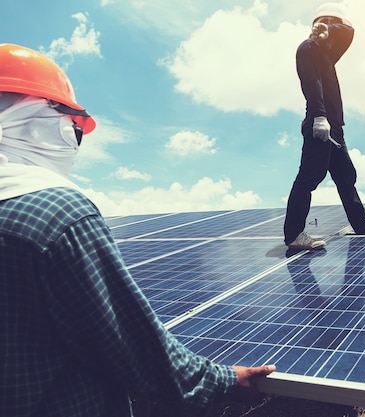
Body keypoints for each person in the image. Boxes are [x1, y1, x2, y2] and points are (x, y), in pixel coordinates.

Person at [0, 43, 274, 417]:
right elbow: (135, 347)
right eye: (73, 130)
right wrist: (225, 380)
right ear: (37, 122)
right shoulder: (59, 215)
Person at [284, 3, 365, 250]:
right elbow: (311, 83)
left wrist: (331, 28)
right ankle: (294, 235)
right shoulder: (308, 49)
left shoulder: (328, 57)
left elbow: (348, 35)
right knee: (310, 177)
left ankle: (361, 224)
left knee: (345, 176)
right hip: (321, 125)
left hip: (335, 128)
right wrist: (320, 117)